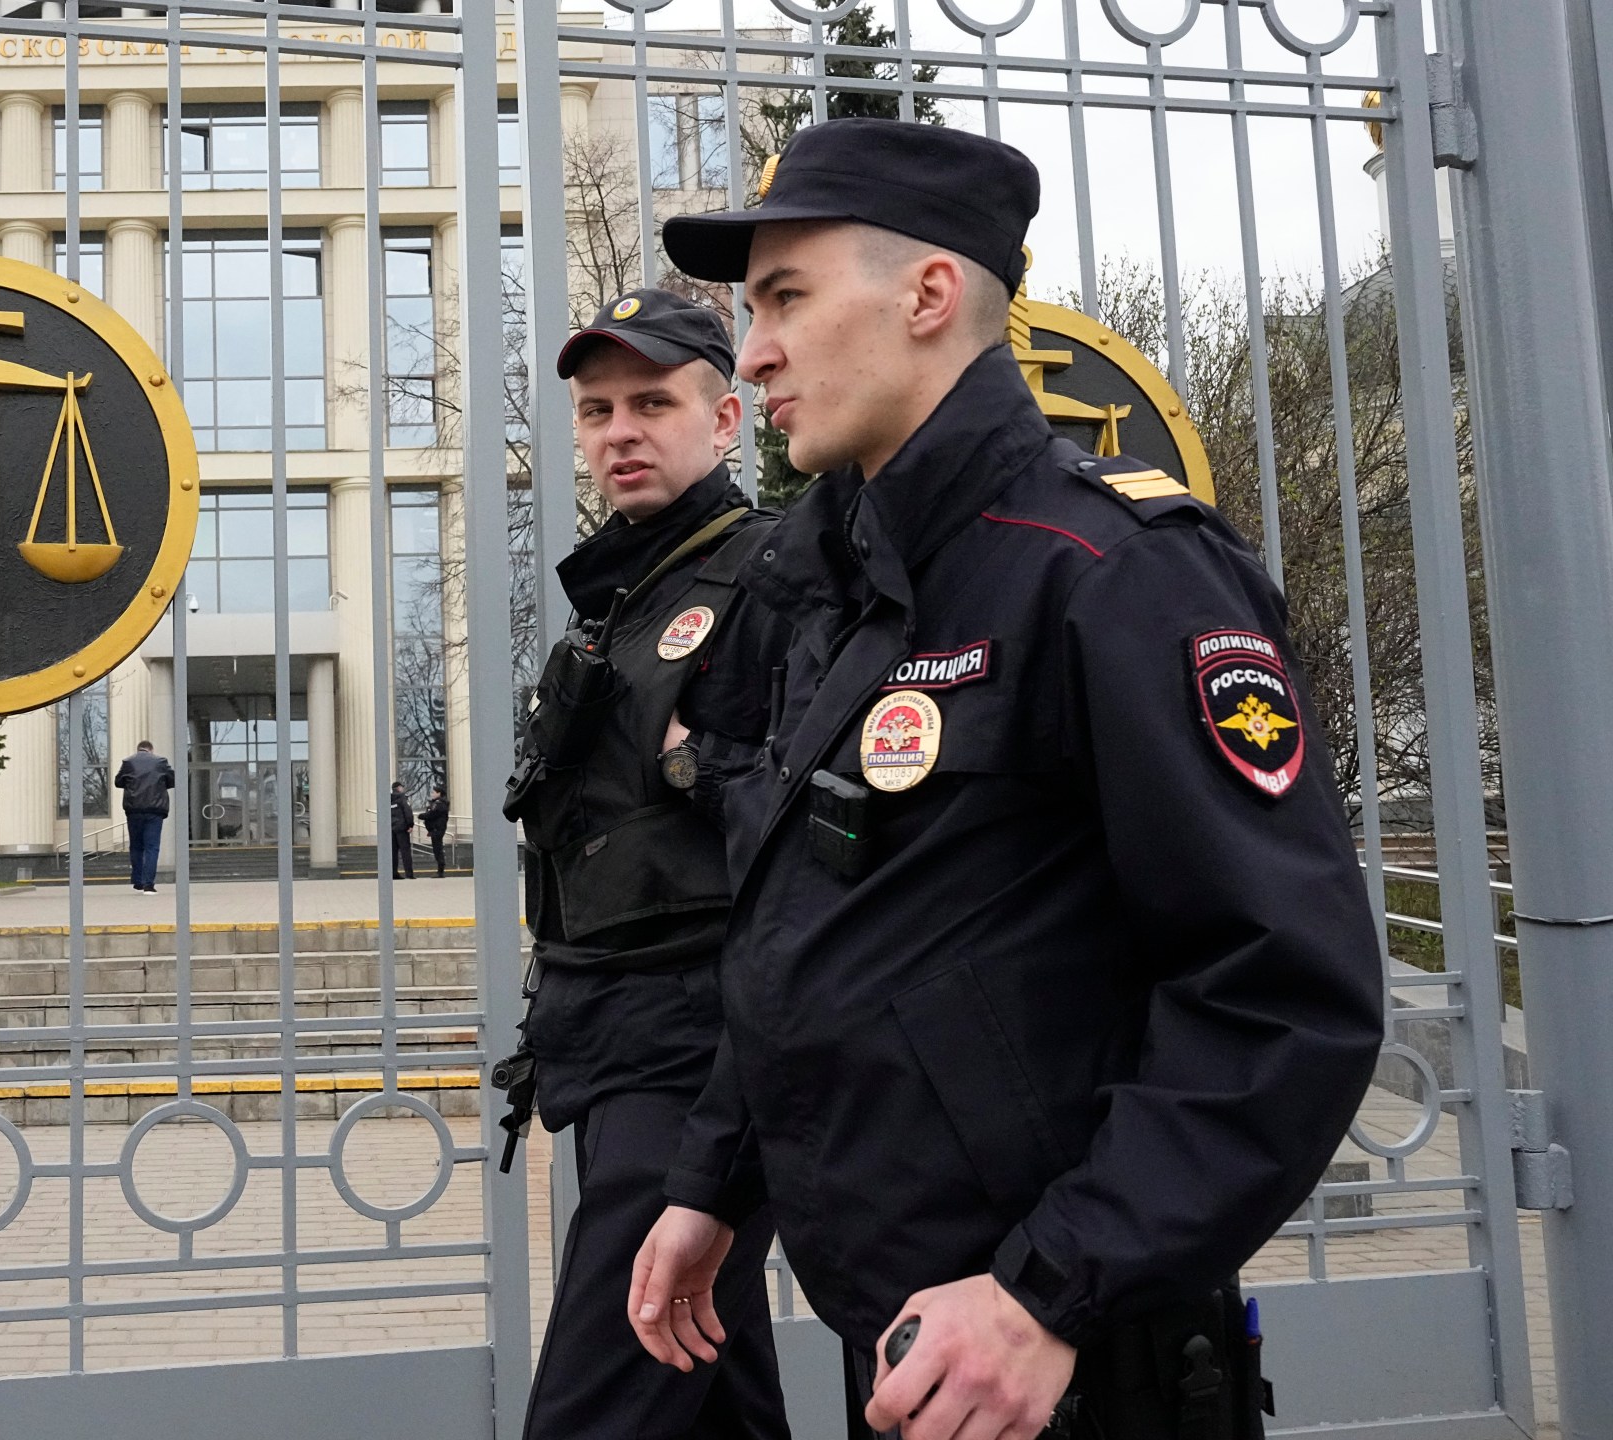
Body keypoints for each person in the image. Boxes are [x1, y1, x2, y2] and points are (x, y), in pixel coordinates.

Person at [623, 118, 1386, 1440]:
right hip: (920, 1346)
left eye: (786, 301)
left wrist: (1046, 1296)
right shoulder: (845, 591)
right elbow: (821, 926)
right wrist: (716, 1177)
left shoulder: (1112, 573)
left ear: (927, 296)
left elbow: (1284, 994)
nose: (751, 352)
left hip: (1070, 1362)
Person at [498, 287, 788, 1440]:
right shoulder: (616, 594)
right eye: (597, 408)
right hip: (608, 1034)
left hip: (699, 1049)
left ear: (724, 421)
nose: (620, 429)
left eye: (654, 403)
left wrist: (695, 768)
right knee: (709, 1371)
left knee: (602, 1390)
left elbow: (836, 799)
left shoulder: (772, 572)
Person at [112, 740, 173, 893]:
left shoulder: (128, 762)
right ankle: (148, 885)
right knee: (152, 847)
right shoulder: (160, 762)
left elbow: (118, 782)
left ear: (138, 749)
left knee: (136, 846)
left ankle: (138, 881)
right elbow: (171, 780)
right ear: (151, 750)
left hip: (134, 810)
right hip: (155, 810)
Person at [419, 785, 451, 879]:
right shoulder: (437, 803)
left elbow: (432, 814)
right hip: (435, 829)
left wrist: (422, 815)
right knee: (437, 849)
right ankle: (440, 871)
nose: (432, 794)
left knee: (438, 850)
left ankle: (440, 871)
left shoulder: (439, 804)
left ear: (439, 793)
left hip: (437, 829)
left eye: (434, 792)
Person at [389, 780, 418, 879]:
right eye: (402, 787)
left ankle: (393, 873)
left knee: (393, 852)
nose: (403, 789)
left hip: (391, 828)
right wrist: (410, 825)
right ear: (399, 788)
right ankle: (409, 874)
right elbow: (407, 811)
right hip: (402, 828)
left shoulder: (388, 799)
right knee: (405, 851)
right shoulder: (402, 798)